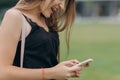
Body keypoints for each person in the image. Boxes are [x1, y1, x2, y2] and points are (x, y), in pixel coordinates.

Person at [0, 0, 87, 80]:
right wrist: (52, 72)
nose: (62, 6)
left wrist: (62, 70)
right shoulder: (15, 16)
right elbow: (2, 72)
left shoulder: (47, 20)